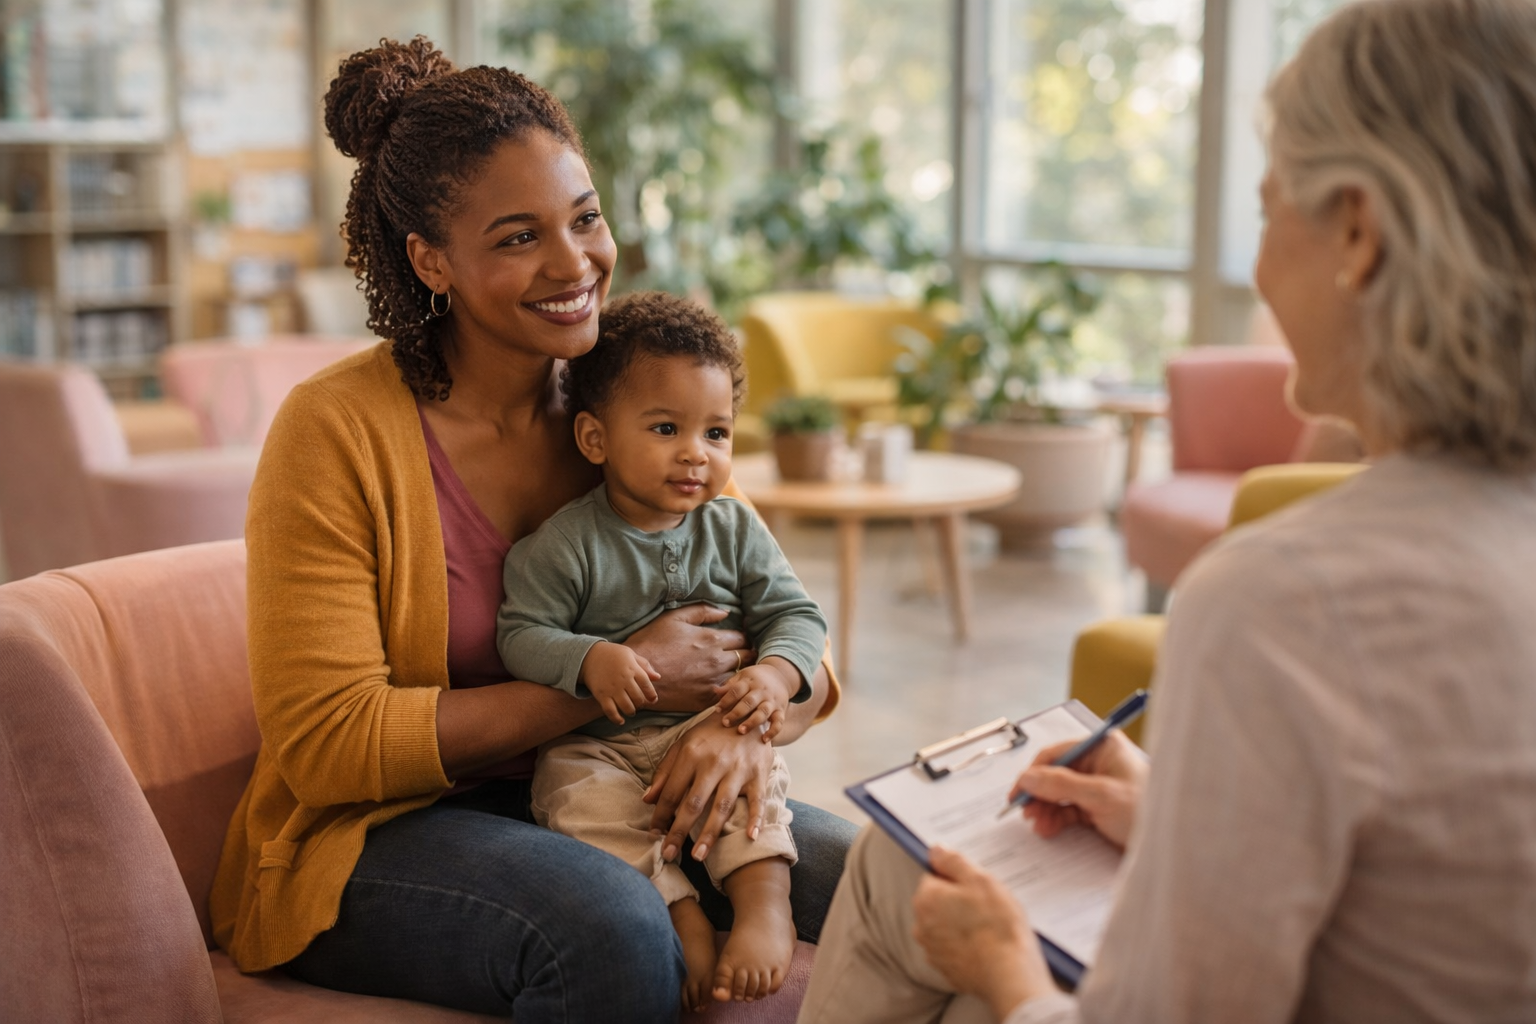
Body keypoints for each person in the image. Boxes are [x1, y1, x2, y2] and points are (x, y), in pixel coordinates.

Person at [796, 0, 1536, 1021]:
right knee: (899, 865)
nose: (1261, 264)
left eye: (1271, 208)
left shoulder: (1286, 598)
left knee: (942, 930)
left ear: (1358, 232)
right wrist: (1181, 819)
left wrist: (1007, 969)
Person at [209, 37, 856, 1022]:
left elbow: (789, 639)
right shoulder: (333, 431)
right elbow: (329, 746)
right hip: (391, 827)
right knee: (611, 927)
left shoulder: (627, 399)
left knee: (898, 878)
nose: (575, 263)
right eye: (518, 237)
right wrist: (620, 670)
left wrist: (739, 720)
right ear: (432, 260)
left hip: (623, 775)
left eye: (585, 218)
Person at [498, 291, 828, 1010]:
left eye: (717, 433)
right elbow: (520, 634)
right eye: (666, 427)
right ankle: (680, 915)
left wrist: (774, 677)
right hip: (599, 747)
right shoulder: (564, 544)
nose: (696, 454)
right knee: (575, 800)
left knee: (755, 786)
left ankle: (763, 904)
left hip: (706, 729)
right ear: (595, 439)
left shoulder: (734, 528)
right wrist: (587, 658)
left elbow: (797, 617)